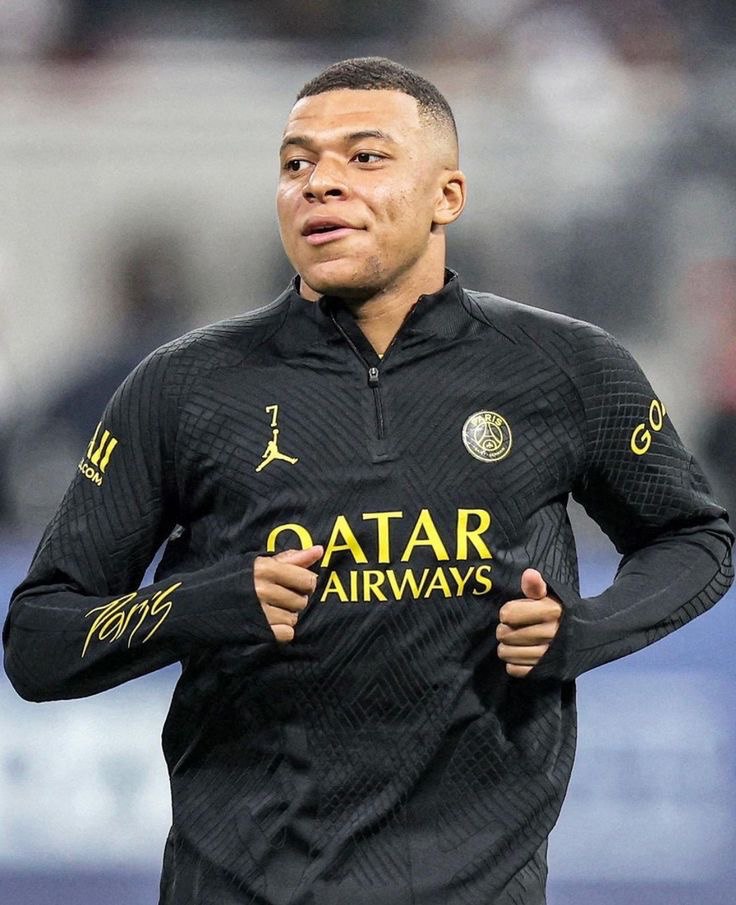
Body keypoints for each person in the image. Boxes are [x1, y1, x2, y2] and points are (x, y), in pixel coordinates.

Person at [2, 57, 733, 905]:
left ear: (447, 196)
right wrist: (206, 602)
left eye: (365, 157)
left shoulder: (565, 367)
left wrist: (583, 630)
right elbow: (40, 637)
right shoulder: (183, 387)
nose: (319, 182)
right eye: (296, 163)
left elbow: (695, 537)